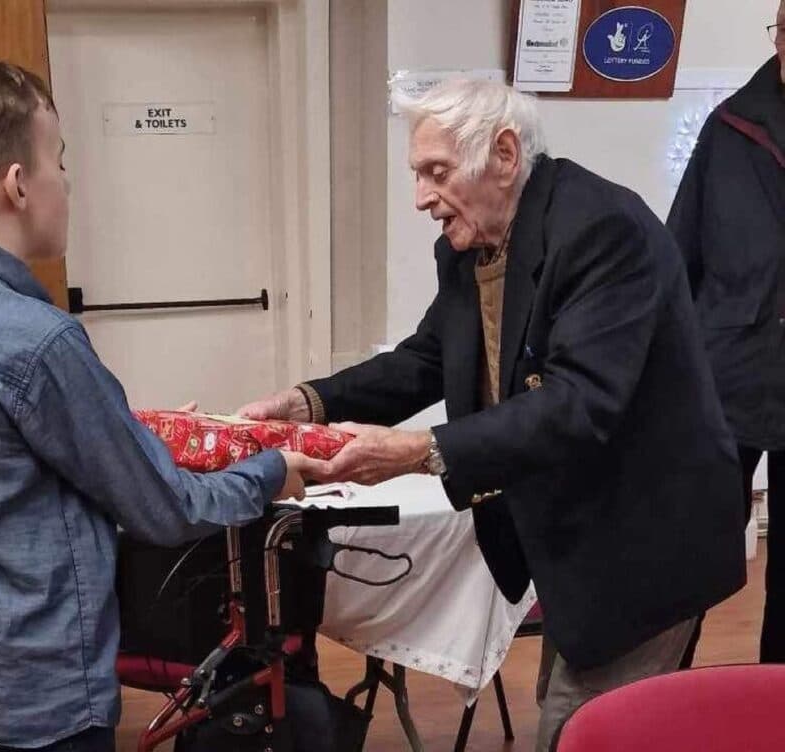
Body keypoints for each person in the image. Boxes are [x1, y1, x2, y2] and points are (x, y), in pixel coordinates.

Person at [239, 78, 747, 750]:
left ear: (504, 154)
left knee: (585, 728)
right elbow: (428, 358)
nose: (421, 197)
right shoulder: (473, 245)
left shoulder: (601, 229)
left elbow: (579, 403)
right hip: (574, 537)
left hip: (646, 536)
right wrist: (308, 403)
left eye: (436, 172)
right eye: (418, 174)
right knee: (572, 706)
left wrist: (419, 450)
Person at [0, 54, 326, 752]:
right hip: (44, 693)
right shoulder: (39, 342)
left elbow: (13, 475)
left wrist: (140, 431)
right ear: (18, 185)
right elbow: (163, 507)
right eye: (58, 159)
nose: (67, 180)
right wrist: (273, 473)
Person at [667, 3, 785, 665]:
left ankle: (776, 706)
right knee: (692, 546)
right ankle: (664, 690)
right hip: (727, 372)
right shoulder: (730, 127)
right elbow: (677, 259)